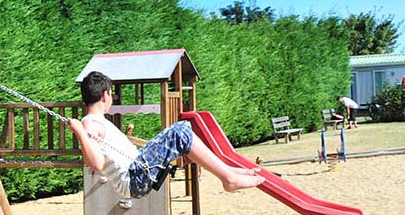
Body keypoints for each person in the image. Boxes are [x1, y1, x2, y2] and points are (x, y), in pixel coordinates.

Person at [66, 71, 264, 199]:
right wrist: (80, 133)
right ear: (104, 95)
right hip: (135, 178)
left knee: (180, 129)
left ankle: (228, 171)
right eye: (111, 94)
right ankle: (228, 178)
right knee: (180, 132)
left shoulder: (97, 122)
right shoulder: (90, 124)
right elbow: (96, 163)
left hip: (137, 171)